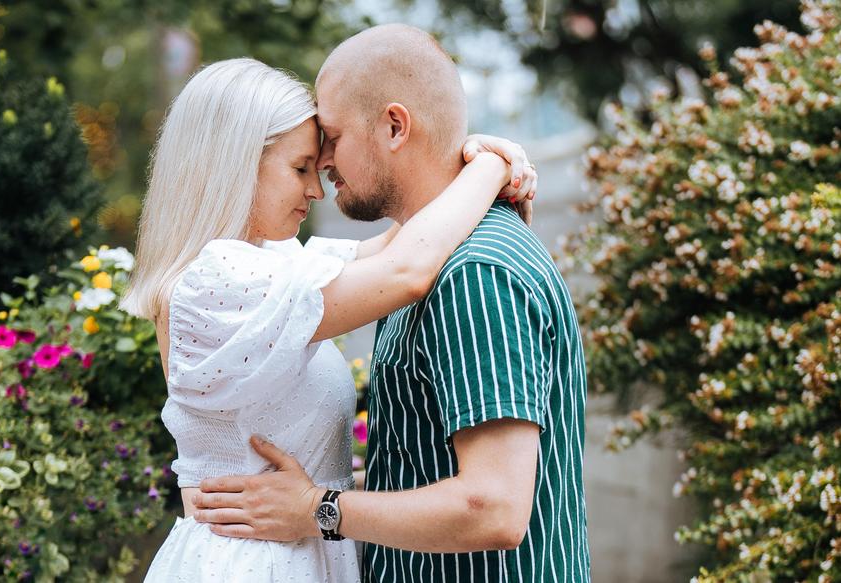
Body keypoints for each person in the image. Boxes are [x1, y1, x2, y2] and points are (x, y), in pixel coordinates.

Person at [192, 24, 591, 582]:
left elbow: (493, 507)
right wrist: (492, 164)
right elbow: (420, 466)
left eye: (332, 137)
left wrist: (316, 510)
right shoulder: (419, 261)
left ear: (395, 126)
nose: (322, 161)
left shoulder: (473, 273)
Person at [118, 56, 536, 583]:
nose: (316, 190)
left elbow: (397, 242)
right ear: (233, 165)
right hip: (253, 563)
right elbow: (406, 269)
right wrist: (494, 166)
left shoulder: (274, 261)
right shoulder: (217, 282)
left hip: (295, 551)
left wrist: (469, 158)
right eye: (300, 168)